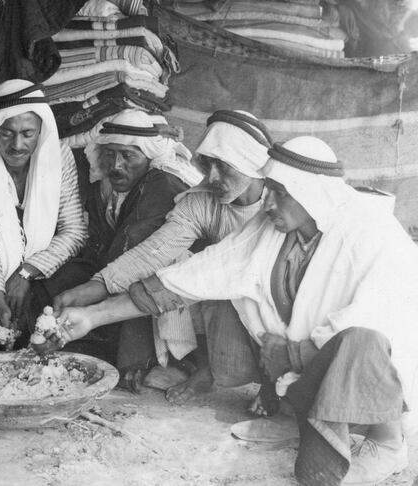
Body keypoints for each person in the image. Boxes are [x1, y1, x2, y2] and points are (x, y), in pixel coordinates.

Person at [50, 136, 418, 486]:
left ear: (313, 193)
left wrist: (291, 352)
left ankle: (387, 444)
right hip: (301, 366)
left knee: (363, 341)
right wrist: (95, 315)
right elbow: (191, 276)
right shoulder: (272, 228)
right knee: (240, 313)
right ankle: (299, 416)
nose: (268, 203)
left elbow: (383, 319)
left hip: (378, 379)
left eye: (281, 193)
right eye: (269, 189)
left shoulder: (371, 230)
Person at [55, 109, 271, 398]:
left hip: (274, 306)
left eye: (225, 166)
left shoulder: (280, 206)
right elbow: (153, 253)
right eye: (208, 165)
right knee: (183, 268)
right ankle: (208, 367)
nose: (214, 177)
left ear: (251, 163)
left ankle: (271, 382)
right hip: (226, 300)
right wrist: (95, 291)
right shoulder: (202, 203)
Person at [32, 108, 201, 366]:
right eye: (109, 155)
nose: (116, 166)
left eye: (128, 156)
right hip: (112, 270)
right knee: (55, 281)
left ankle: (136, 364)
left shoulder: (163, 183)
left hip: (153, 274)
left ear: (148, 156)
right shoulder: (106, 186)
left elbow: (135, 249)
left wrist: (89, 290)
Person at [0, 79, 88, 340]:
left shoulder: (58, 155)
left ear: (41, 131)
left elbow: (74, 231)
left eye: (28, 133)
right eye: (6, 133)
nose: (17, 145)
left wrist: (26, 272)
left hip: (42, 258)